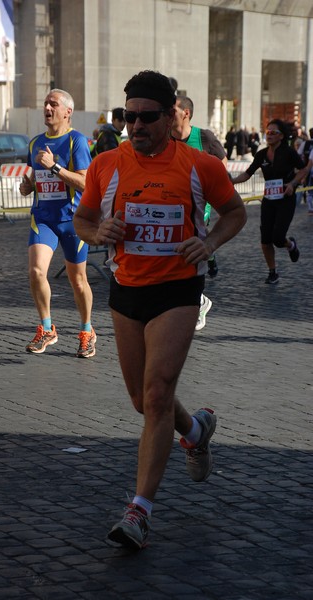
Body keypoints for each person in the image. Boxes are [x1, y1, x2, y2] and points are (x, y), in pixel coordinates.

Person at [73, 70, 247, 550]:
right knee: (142, 401)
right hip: (127, 290)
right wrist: (96, 234)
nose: (136, 125)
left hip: (177, 291)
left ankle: (138, 511)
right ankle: (193, 430)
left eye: (147, 117)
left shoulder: (199, 165)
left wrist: (208, 242)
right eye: (128, 116)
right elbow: (83, 219)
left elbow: (236, 213)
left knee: (156, 394)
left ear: (171, 117)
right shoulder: (106, 164)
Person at [19, 88, 96, 358]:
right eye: (45, 104)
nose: (47, 108)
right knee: (37, 272)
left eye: (53, 104)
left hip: (74, 221)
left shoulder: (76, 141)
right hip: (44, 219)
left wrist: (54, 168)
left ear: (67, 111)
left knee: (78, 280)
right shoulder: (35, 143)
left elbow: (86, 183)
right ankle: (47, 328)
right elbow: (35, 178)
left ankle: (87, 331)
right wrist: (28, 186)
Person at [172, 94, 228, 329]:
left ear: (186, 113)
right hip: (171, 205)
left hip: (198, 205)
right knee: (175, 255)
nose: (167, 112)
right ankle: (197, 299)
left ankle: (198, 300)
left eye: (172, 108)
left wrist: (211, 191)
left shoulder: (203, 137)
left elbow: (222, 165)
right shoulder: (164, 139)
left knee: (187, 248)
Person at [232, 119, 306, 284]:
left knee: (278, 238)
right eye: (268, 132)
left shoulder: (288, 152)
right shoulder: (262, 154)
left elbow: (303, 169)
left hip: (285, 199)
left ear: (281, 136)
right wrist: (231, 182)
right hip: (268, 200)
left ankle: (291, 245)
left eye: (273, 132)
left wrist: (292, 184)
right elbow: (247, 174)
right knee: (265, 239)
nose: (269, 135)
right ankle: (272, 272)